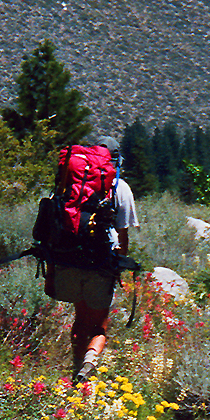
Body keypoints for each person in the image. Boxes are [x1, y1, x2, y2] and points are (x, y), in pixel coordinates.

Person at [49, 135, 139, 382]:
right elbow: (123, 235)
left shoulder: (70, 180)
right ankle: (89, 362)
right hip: (100, 261)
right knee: (99, 323)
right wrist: (119, 264)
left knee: (80, 317)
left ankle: (76, 374)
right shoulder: (119, 186)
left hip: (69, 257)